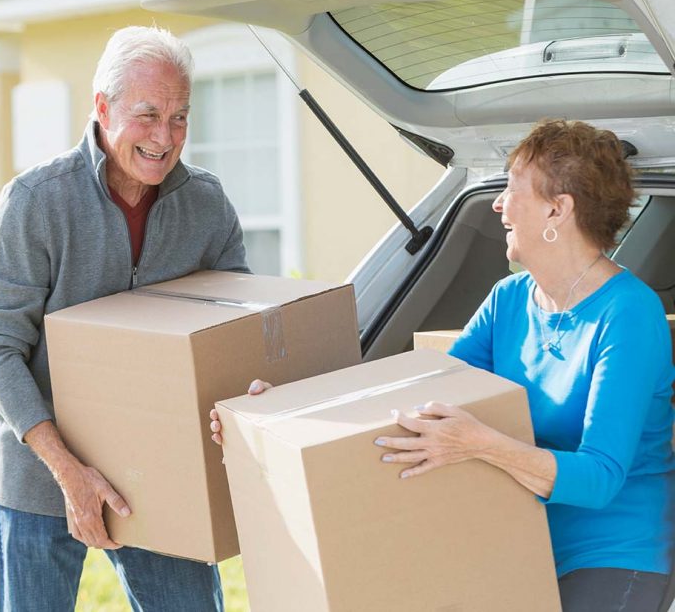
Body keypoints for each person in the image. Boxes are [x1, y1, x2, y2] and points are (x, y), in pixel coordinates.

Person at [209, 119, 674, 611]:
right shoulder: (510, 299)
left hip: (613, 557)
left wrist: (483, 444)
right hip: (517, 542)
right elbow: (417, 393)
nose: (498, 204)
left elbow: (600, 478)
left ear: (557, 210)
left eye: (512, 188)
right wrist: (285, 411)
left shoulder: (627, 314)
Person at [0, 25, 248, 612]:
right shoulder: (35, 202)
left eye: (179, 117)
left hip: (159, 473)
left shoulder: (208, 204)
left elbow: (233, 337)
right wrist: (69, 472)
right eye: (147, 115)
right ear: (102, 106)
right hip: (42, 474)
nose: (164, 137)